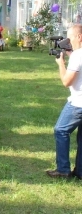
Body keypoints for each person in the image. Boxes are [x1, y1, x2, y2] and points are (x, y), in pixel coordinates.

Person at [46, 24, 82, 179]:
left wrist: (61, 64)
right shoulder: (77, 55)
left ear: (79, 37)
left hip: (78, 103)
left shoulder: (77, 56)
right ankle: (80, 172)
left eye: (71, 37)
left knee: (60, 130)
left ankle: (63, 169)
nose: (69, 41)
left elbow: (67, 81)